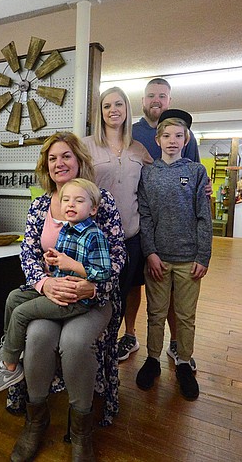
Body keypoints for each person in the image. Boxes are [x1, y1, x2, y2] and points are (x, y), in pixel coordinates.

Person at [5, 132, 125, 461]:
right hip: (50, 296)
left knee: (74, 343)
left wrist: (93, 285)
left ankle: (81, 431)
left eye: (66, 156)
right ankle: (35, 420)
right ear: (46, 166)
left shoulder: (100, 200)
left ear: (79, 161)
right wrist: (44, 284)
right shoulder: (40, 205)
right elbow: (28, 255)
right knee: (38, 335)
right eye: (53, 158)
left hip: (91, 300)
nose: (60, 163)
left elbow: (117, 257)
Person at [0, 178, 111, 394]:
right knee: (13, 298)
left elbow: (104, 272)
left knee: (21, 313)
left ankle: (10, 367)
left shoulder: (94, 235)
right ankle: (10, 348)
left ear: (93, 208)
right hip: (57, 286)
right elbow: (58, 263)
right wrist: (52, 261)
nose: (70, 205)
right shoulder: (67, 229)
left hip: (74, 299)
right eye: (66, 200)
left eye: (78, 201)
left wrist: (73, 265)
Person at [119, 77, 208, 367]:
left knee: (181, 306)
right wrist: (151, 250)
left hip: (184, 250)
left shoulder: (193, 164)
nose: (156, 100)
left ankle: (181, 352)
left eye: (162, 95)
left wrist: (202, 254)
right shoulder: (132, 136)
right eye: (151, 95)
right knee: (145, 299)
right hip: (147, 238)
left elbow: (200, 202)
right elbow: (144, 208)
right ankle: (139, 344)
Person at [136, 110, 212, 400]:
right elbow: (145, 214)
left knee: (185, 316)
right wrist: (150, 253)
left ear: (186, 139)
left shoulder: (195, 172)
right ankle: (153, 359)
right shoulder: (148, 173)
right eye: (166, 136)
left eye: (178, 136)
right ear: (157, 139)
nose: (172, 141)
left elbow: (203, 217)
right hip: (158, 259)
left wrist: (203, 256)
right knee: (155, 314)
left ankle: (183, 362)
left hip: (188, 259)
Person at [82, 87, 151, 330]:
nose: (113, 110)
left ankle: (114, 345)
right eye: (107, 106)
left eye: (118, 104)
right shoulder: (86, 146)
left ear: (127, 110)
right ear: (100, 113)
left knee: (123, 295)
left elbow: (157, 179)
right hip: (95, 237)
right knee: (96, 298)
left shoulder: (138, 148)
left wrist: (199, 183)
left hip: (130, 235)